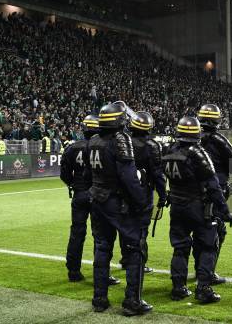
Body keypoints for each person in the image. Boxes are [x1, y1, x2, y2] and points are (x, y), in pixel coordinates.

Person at [85, 103, 151, 316]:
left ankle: (99, 299)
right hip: (117, 203)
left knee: (102, 248)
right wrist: (141, 203)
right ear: (120, 121)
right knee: (135, 249)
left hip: (97, 200)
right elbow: (129, 177)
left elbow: (89, 175)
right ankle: (132, 301)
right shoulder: (121, 140)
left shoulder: (93, 141)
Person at [163, 116, 232, 303]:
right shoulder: (198, 152)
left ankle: (178, 288)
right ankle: (203, 289)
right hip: (198, 206)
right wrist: (225, 210)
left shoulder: (169, 151)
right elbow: (212, 185)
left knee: (180, 248)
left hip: (177, 206)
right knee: (209, 245)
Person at [60, 114, 120, 285]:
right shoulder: (102, 146)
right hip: (97, 195)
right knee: (101, 237)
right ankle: (101, 274)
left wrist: (74, 185)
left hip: (79, 194)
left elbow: (64, 174)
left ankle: (73, 271)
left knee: (76, 233)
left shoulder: (72, 148)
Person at [197, 104, 232, 285]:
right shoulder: (218, 139)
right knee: (215, 233)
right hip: (214, 193)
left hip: (192, 193)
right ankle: (206, 274)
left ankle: (196, 271)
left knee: (196, 235)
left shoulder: (189, 138)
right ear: (217, 120)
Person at [129, 111, 167, 274]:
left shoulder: (125, 142)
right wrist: (163, 194)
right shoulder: (152, 145)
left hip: (125, 191)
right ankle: (138, 263)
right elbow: (157, 173)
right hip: (144, 192)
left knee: (127, 227)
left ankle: (126, 259)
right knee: (141, 230)